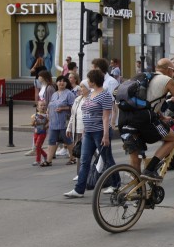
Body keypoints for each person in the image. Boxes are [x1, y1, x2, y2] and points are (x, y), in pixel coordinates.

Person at [118, 58, 174, 181]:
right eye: (172, 71)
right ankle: (150, 169)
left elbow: (147, 101)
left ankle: (137, 194)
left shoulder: (143, 77)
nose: (173, 74)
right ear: (169, 70)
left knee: (135, 157)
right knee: (173, 138)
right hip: (142, 119)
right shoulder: (167, 80)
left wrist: (162, 117)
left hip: (124, 117)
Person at [64, 69, 120, 198]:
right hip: (88, 132)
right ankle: (79, 190)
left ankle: (116, 184)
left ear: (94, 81)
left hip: (100, 132)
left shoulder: (105, 95)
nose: (87, 81)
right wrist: (84, 130)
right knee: (84, 160)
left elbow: (106, 116)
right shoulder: (90, 94)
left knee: (107, 159)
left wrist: (106, 135)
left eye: (89, 79)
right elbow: (86, 112)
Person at [44, 76, 76, 166]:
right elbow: (50, 105)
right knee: (51, 140)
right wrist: (47, 114)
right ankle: (48, 160)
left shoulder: (69, 94)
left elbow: (74, 107)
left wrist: (63, 108)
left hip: (64, 121)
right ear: (56, 83)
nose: (61, 83)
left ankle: (73, 158)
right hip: (53, 122)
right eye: (59, 81)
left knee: (68, 140)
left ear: (66, 83)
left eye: (63, 81)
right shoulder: (54, 94)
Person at [67, 79, 89, 181]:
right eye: (80, 87)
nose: (81, 89)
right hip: (77, 130)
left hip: (87, 130)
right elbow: (73, 115)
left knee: (92, 152)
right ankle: (79, 173)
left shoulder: (90, 99)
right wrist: (69, 127)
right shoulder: (78, 99)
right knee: (79, 152)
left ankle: (100, 170)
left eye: (83, 86)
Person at [31, 101, 49, 166]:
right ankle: (45, 155)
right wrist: (34, 122)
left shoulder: (47, 115)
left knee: (37, 146)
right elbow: (32, 124)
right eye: (41, 105)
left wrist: (47, 125)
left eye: (44, 105)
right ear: (37, 107)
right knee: (37, 146)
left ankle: (38, 160)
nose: (43, 107)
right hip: (36, 132)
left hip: (43, 133)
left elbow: (49, 122)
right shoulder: (34, 115)